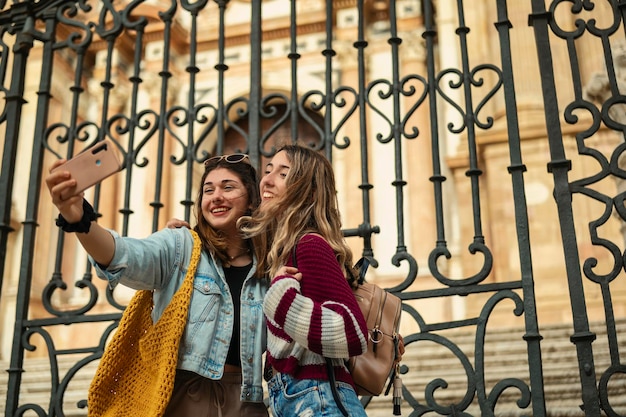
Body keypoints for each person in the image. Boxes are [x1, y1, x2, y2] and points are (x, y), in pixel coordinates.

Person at [45, 153, 269, 417]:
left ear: (252, 199)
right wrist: (79, 220)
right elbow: (122, 255)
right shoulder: (181, 247)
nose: (216, 196)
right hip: (182, 398)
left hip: (248, 401)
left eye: (228, 187)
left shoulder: (269, 265)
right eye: (208, 190)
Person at [239, 144, 370, 417]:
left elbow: (353, 332)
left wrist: (280, 299)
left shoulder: (309, 244)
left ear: (308, 190)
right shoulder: (287, 249)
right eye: (268, 170)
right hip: (299, 396)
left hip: (317, 397)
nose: (267, 180)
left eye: (283, 174)